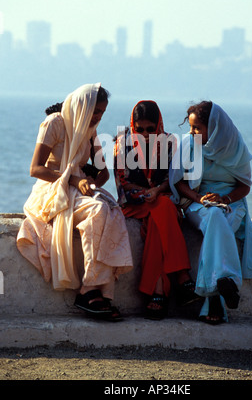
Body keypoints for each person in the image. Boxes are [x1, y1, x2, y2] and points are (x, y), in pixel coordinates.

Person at [17, 83, 133, 321]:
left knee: (114, 212)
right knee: (99, 209)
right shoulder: (55, 123)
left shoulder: (90, 129)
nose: (98, 117)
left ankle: (103, 291)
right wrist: (71, 180)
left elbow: (104, 174)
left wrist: (92, 179)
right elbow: (35, 168)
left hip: (77, 189)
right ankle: (88, 289)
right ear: (83, 106)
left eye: (102, 112)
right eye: (95, 111)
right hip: (51, 189)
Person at [169, 101, 252, 324]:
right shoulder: (189, 144)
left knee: (219, 221)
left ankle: (215, 299)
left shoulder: (235, 146)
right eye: (190, 128)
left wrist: (224, 199)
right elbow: (179, 183)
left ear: (215, 128)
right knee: (216, 217)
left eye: (197, 128)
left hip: (231, 203)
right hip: (197, 204)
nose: (191, 133)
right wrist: (199, 198)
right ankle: (226, 283)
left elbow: (245, 185)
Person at [113, 100, 200, 320]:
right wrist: (147, 193)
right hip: (135, 205)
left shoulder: (170, 143)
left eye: (150, 129)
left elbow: (173, 179)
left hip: (161, 201)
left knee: (158, 217)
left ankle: (158, 291)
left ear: (158, 125)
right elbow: (122, 184)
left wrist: (158, 190)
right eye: (139, 129)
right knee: (163, 208)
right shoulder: (121, 143)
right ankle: (182, 276)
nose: (144, 134)